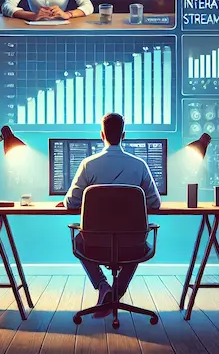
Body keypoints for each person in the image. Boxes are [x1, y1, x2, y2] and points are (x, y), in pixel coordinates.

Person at [65, 113, 162, 318]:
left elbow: (71, 202)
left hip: (95, 245)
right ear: (124, 135)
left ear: (102, 135)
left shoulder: (88, 165)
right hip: (131, 246)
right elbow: (155, 203)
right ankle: (117, 291)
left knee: (78, 240)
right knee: (137, 237)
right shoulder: (139, 165)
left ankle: (103, 286)